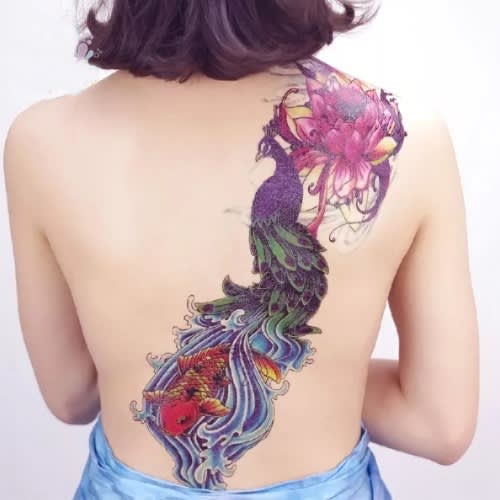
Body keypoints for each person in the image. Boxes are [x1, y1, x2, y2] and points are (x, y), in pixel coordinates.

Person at [3, 1, 479, 498]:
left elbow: (72, 396)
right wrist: (326, 380)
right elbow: (437, 426)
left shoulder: (41, 140)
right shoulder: (406, 138)